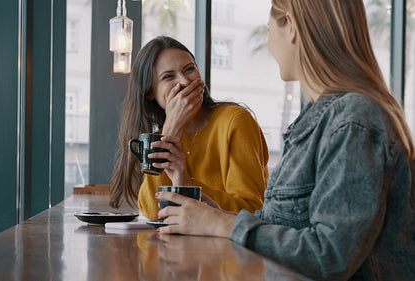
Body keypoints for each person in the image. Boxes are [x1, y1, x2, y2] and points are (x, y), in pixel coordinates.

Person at [155, 1, 415, 280]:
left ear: (290, 27)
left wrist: (219, 224)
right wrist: (210, 214)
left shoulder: (353, 119)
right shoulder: (320, 117)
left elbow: (331, 257)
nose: (268, 43)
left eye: (269, 30)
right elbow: (286, 227)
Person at [109, 36, 269, 220]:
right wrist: (170, 130)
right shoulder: (163, 135)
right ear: (151, 92)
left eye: (190, 69)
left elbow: (251, 209)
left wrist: (187, 185)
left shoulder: (236, 121)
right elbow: (154, 212)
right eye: (168, 76)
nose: (185, 81)